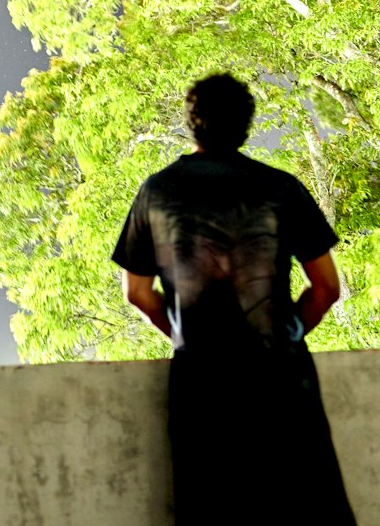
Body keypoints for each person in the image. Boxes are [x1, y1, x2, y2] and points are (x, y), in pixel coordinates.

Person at [112, 73, 357, 524]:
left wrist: (185, 334)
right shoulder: (282, 188)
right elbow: (326, 288)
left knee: (213, 509)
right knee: (307, 508)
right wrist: (291, 330)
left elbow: (138, 293)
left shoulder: (156, 192)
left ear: (192, 123)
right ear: (246, 124)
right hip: (280, 375)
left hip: (202, 382)